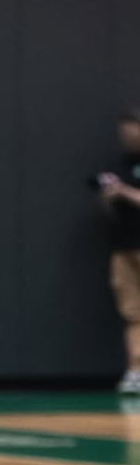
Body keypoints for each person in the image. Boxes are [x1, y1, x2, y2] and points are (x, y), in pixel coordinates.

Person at [96, 111, 140, 394]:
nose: (127, 136)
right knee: (133, 313)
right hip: (123, 248)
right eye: (123, 131)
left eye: (132, 130)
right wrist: (108, 197)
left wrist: (124, 191)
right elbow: (108, 212)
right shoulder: (121, 165)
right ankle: (136, 371)